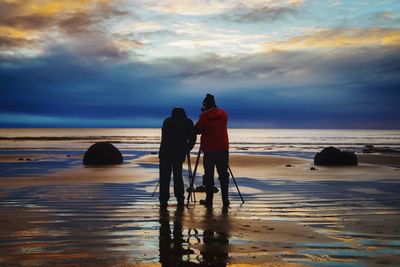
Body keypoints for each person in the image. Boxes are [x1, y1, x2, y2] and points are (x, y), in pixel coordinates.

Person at [194, 94, 230, 207]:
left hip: (209, 149)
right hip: (222, 148)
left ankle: (209, 200)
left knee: (209, 175)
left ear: (205, 105)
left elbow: (197, 129)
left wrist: (203, 114)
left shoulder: (205, 117)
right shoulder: (223, 114)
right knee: (223, 175)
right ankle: (225, 200)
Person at [159, 107, 196, 207]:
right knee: (177, 175)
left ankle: (163, 199)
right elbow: (193, 138)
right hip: (179, 153)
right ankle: (180, 198)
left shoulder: (167, 121)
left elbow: (164, 137)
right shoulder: (187, 122)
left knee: (164, 177)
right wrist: (188, 148)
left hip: (165, 152)